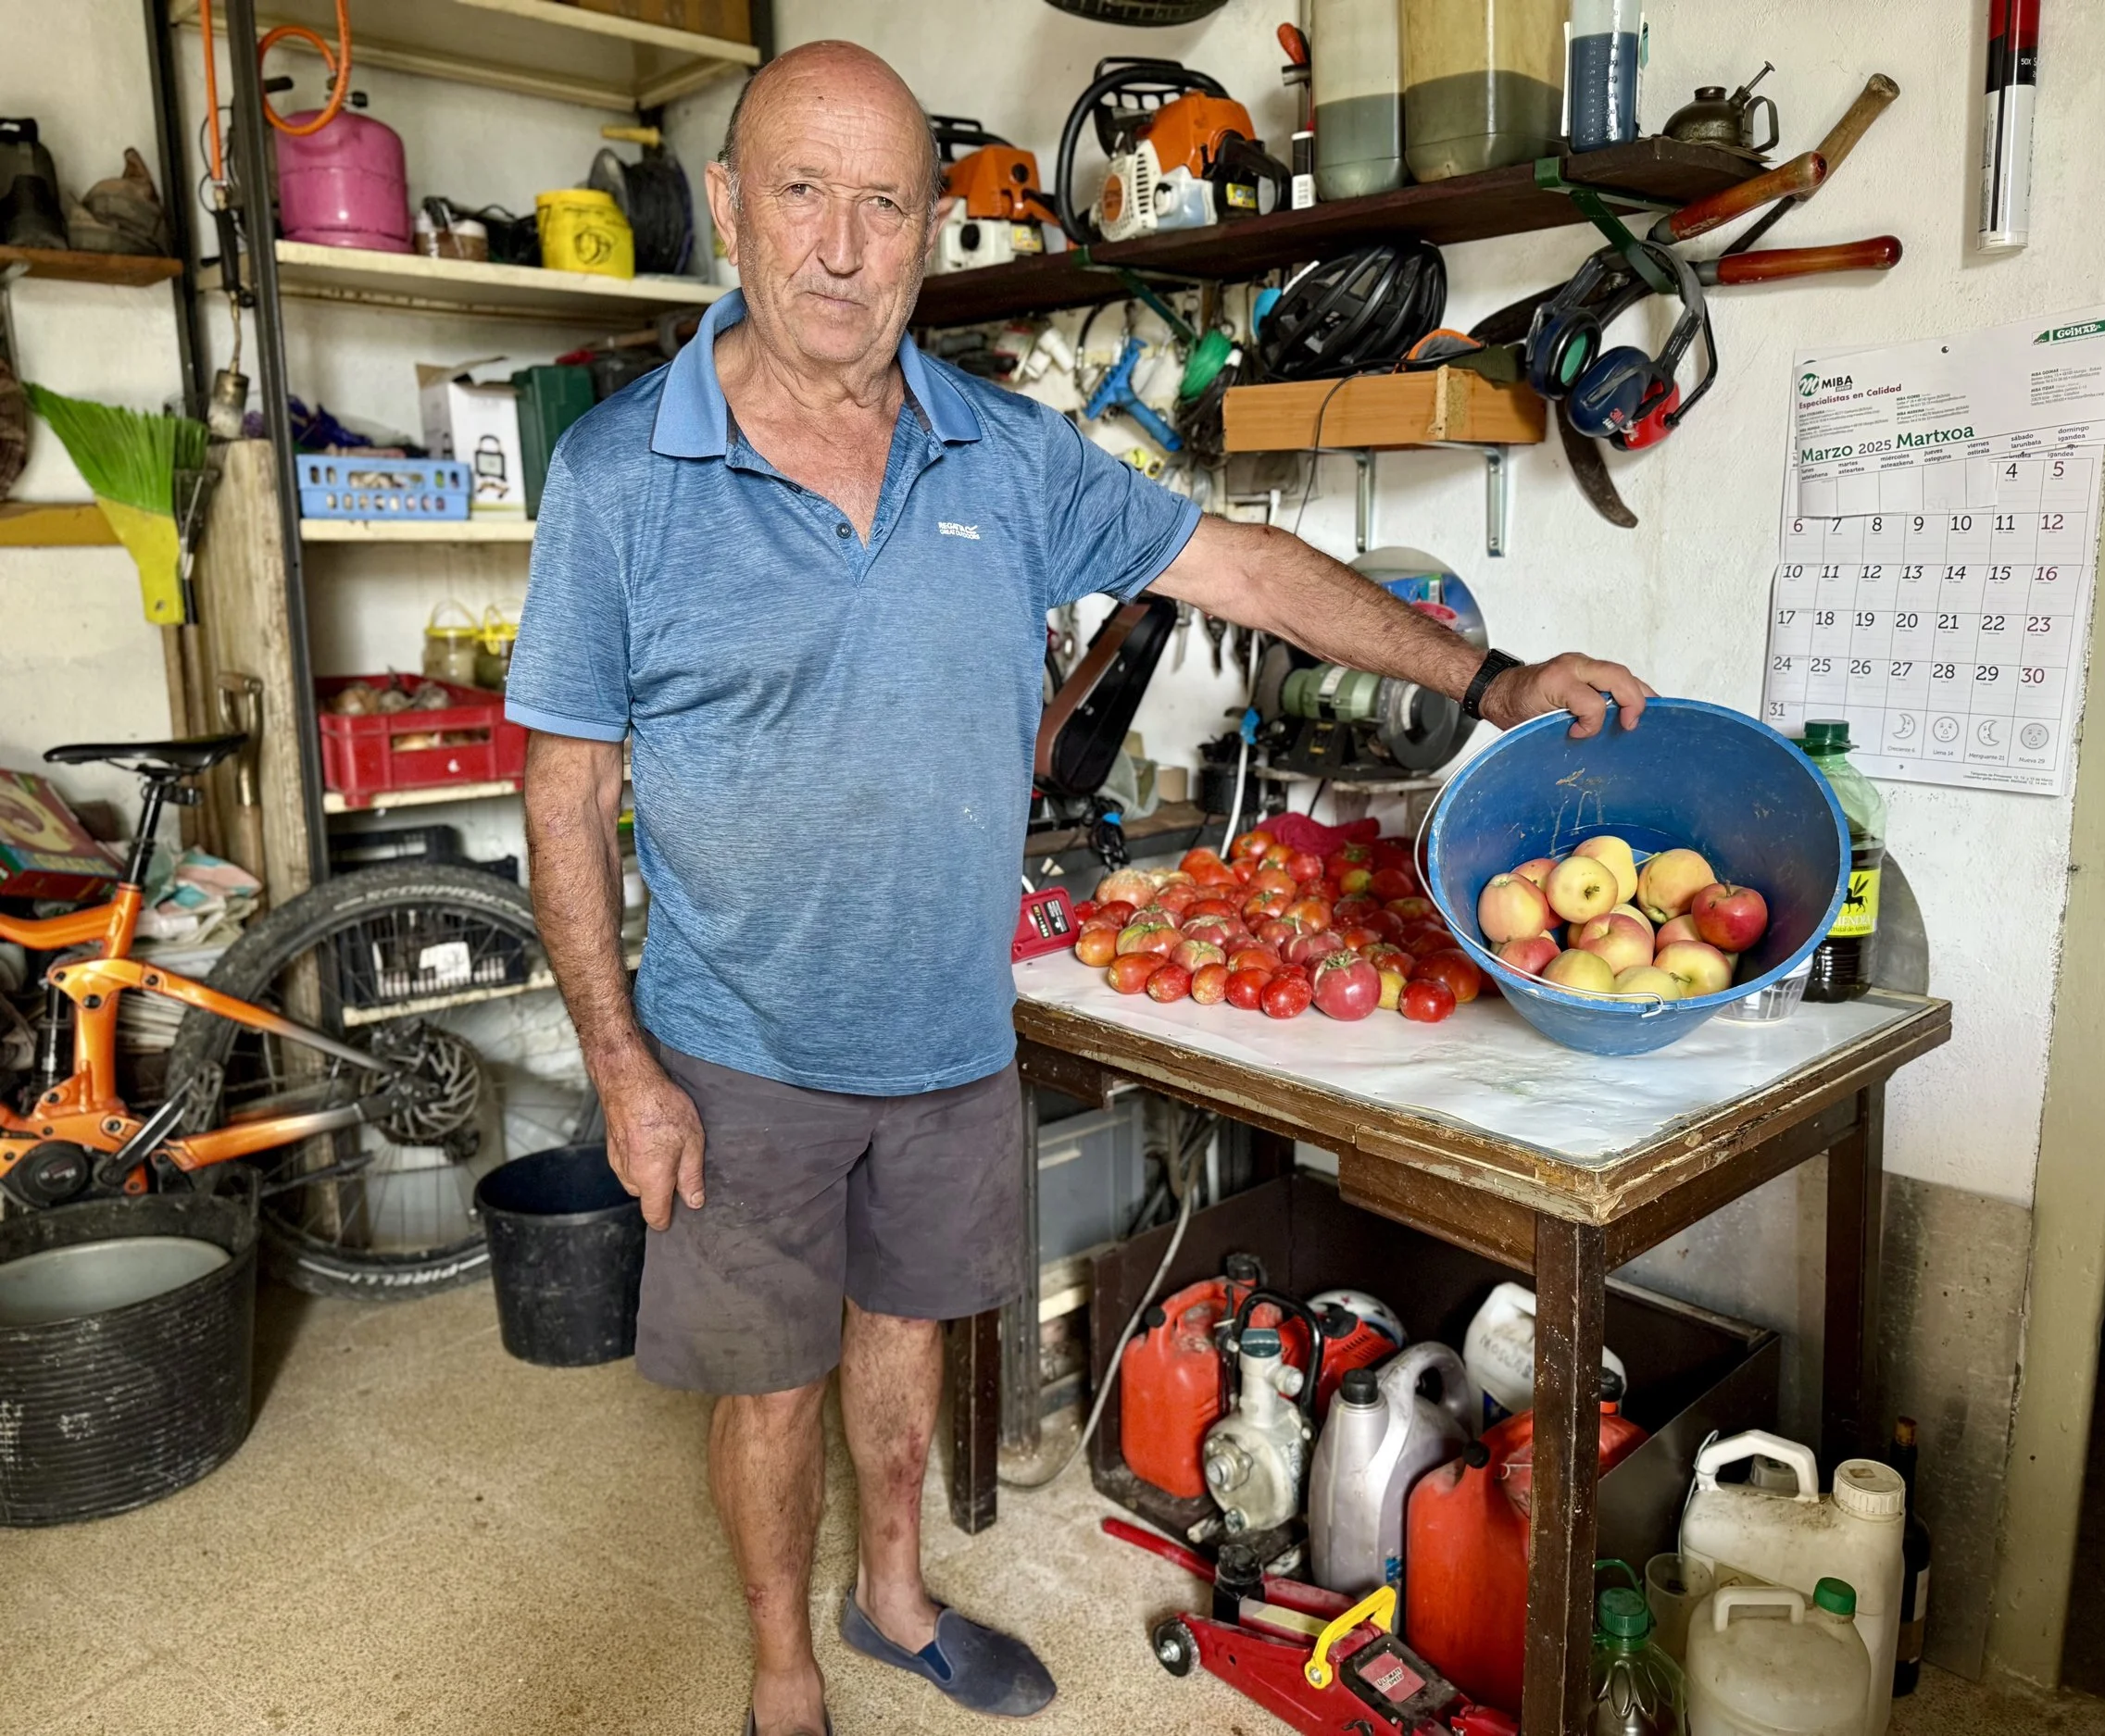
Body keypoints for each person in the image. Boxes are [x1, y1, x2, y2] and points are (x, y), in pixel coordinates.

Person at [508, 39, 1653, 1736]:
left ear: (926, 236)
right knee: (767, 1385)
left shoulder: (1006, 455)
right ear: (735, 210)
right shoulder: (618, 477)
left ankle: (895, 1600)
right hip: (734, 1047)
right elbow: (567, 782)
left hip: (952, 1029)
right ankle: (779, 1675)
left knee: (903, 1335)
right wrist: (621, 1066)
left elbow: (1246, 565)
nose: (841, 245)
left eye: (886, 203)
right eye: (803, 194)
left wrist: (1486, 681)